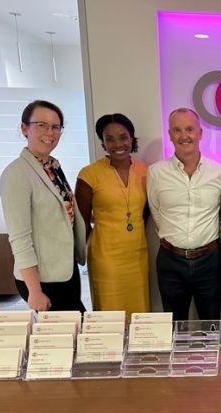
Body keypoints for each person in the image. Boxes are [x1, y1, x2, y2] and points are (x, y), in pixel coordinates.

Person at [0, 100, 86, 311]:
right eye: (41, 125)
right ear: (24, 128)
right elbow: (19, 238)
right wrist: (34, 291)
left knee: (76, 326)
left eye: (56, 127)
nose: (50, 132)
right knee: (65, 330)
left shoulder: (52, 166)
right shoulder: (16, 174)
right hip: (42, 279)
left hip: (64, 270)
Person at [147, 108, 221, 321]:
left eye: (189, 129)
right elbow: (157, 213)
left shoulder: (219, 172)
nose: (184, 136)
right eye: (177, 130)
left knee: (211, 324)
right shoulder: (156, 172)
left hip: (209, 261)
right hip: (170, 261)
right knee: (174, 325)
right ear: (170, 135)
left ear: (200, 133)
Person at [75, 113, 149, 313]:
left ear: (131, 138)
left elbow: (146, 213)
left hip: (138, 255)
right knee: (110, 313)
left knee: (140, 313)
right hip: (105, 257)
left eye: (123, 137)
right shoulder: (89, 174)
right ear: (103, 143)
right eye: (110, 139)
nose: (118, 144)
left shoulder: (145, 170)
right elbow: (81, 223)